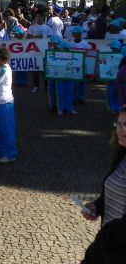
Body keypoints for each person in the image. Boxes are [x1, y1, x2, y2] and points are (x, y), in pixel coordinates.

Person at [80, 107, 126, 263]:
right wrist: (97, 206)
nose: (121, 129)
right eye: (119, 124)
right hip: (108, 243)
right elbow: (113, 192)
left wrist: (105, 238)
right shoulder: (121, 154)